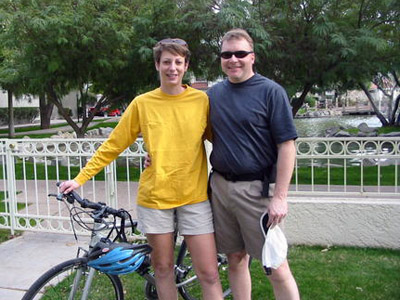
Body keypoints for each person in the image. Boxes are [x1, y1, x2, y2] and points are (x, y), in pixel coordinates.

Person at [60, 38, 223, 300]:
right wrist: (80, 179)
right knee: (162, 268)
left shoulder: (201, 101)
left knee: (209, 273)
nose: (172, 68)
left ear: (186, 65)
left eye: (178, 62)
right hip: (155, 198)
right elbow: (114, 144)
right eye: (166, 62)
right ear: (157, 65)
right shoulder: (142, 103)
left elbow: (223, 139)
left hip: (195, 198)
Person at [207, 29, 300, 299]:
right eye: (226, 54)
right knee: (235, 259)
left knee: (275, 264)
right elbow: (188, 133)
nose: (233, 59)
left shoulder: (271, 92)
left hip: (256, 191)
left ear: (252, 57)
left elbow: (287, 146)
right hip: (221, 188)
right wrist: (154, 155)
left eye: (240, 53)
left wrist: (280, 197)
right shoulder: (212, 96)